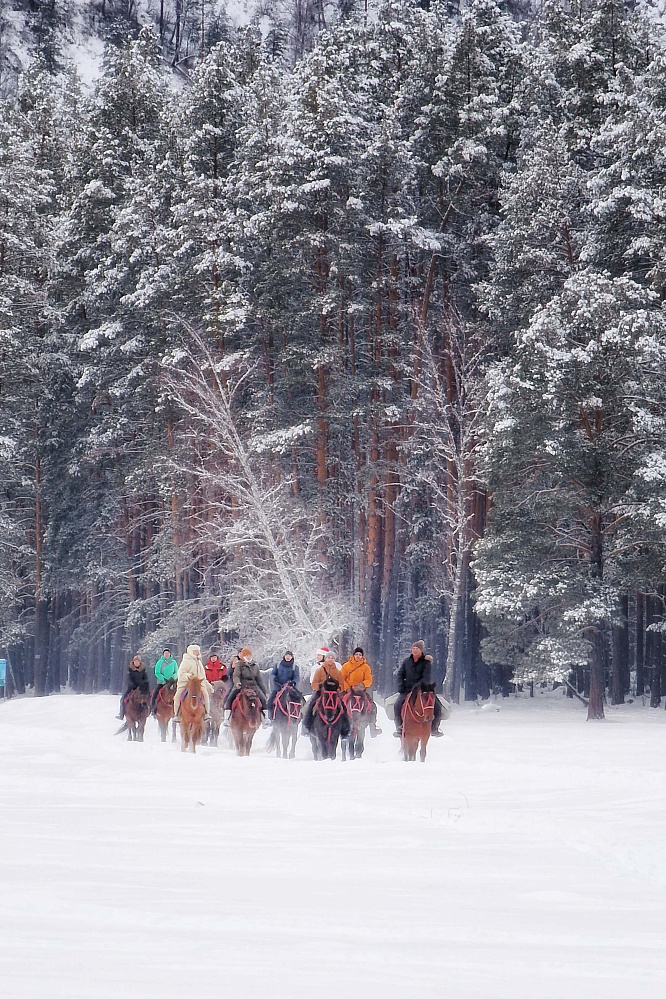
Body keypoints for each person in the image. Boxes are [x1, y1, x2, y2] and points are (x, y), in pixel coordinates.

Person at [393, 640, 443, 738]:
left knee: (437, 706)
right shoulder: (406, 661)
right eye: (413, 648)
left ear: (421, 650)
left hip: (422, 689)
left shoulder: (426, 663)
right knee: (397, 705)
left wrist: (417, 686)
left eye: (417, 648)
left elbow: (426, 678)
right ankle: (399, 727)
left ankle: (434, 728)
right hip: (407, 689)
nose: (415, 650)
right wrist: (401, 685)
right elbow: (400, 674)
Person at [340, 646, 382, 737]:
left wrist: (362, 685)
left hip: (361, 691)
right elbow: (341, 678)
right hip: (348, 691)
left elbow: (369, 680)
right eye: (356, 654)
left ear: (362, 656)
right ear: (353, 655)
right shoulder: (346, 666)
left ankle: (372, 727)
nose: (358, 656)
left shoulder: (366, 667)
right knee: (338, 705)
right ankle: (338, 724)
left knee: (372, 706)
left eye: (360, 654)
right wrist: (347, 687)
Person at [303, 652, 345, 733]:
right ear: (325, 659)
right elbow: (314, 683)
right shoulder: (319, 670)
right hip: (320, 693)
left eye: (332, 658)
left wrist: (339, 689)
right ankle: (307, 725)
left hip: (334, 695)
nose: (330, 659)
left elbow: (342, 684)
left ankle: (345, 730)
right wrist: (320, 687)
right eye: (328, 657)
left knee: (343, 708)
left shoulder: (338, 672)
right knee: (311, 705)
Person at [225, 648, 268, 720]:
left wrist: (265, 691)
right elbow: (236, 675)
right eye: (246, 655)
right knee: (230, 698)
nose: (248, 657)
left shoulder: (255, 666)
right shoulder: (239, 664)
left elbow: (259, 680)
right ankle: (227, 719)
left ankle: (265, 718)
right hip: (242, 686)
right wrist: (237, 683)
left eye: (249, 655)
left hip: (254, 686)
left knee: (263, 699)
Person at [173, 644, 212, 720]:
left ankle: (207, 713)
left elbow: (203, 676)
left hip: (199, 683)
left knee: (205, 694)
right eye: (195, 651)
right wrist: (189, 676)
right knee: (178, 695)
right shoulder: (186, 661)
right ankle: (177, 714)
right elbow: (181, 673)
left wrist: (208, 685)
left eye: (198, 651)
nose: (197, 653)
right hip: (186, 683)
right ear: (190, 652)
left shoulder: (199, 662)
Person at [267, 651, 300, 719]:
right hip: (278, 687)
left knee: (299, 700)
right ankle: (270, 718)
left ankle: (298, 716)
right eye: (286, 655)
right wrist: (274, 678)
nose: (288, 657)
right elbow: (272, 673)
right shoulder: (278, 665)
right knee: (270, 701)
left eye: (289, 656)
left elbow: (297, 677)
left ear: (292, 657)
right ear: (284, 656)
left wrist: (293, 682)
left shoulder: (295, 667)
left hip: (289, 688)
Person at [117, 654, 150, 719]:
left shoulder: (143, 670)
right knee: (123, 699)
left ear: (140, 662)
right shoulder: (130, 670)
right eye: (135, 661)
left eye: (138, 661)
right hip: (132, 688)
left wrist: (143, 685)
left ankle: (148, 711)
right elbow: (129, 679)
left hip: (142, 688)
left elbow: (146, 679)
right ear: (133, 662)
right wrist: (133, 685)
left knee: (148, 698)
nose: (136, 663)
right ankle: (121, 714)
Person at [151, 647, 178, 714]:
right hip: (162, 682)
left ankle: (178, 710)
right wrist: (163, 679)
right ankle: (153, 708)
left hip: (172, 682)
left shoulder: (174, 662)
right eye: (165, 653)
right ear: (163, 654)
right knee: (155, 694)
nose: (166, 654)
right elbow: (157, 672)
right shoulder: (160, 662)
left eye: (168, 653)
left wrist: (173, 677)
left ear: (170, 654)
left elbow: (176, 672)